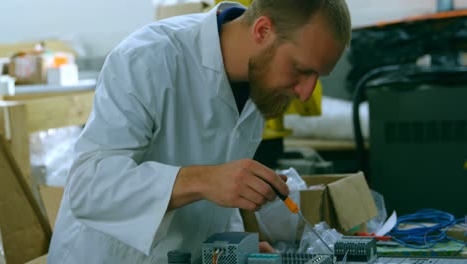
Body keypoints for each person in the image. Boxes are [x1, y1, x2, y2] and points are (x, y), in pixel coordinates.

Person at [48, 0, 351, 263]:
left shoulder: (259, 82)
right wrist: (204, 179)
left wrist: (237, 244)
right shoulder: (149, 58)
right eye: (301, 69)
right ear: (262, 31)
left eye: (317, 76)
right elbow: (88, 188)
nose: (305, 91)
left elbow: (216, 199)